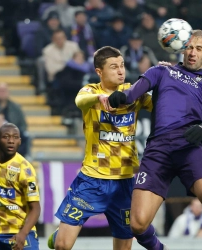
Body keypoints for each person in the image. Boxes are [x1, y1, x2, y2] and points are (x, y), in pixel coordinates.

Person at [108, 30, 202, 250]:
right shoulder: (161, 70)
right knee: (137, 224)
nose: (193, 53)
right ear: (182, 48)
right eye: (189, 47)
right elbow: (133, 93)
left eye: (199, 49)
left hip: (189, 148)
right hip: (157, 152)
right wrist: (120, 97)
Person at [47, 46, 153, 250]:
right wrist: (100, 98)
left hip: (124, 181)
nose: (120, 71)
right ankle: (63, 231)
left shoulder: (133, 93)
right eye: (113, 67)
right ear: (99, 72)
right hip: (92, 180)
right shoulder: (91, 91)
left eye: (122, 66)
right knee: (62, 246)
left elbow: (161, 104)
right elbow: (80, 101)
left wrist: (168, 78)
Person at [0, 123, 40, 250]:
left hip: (20, 231)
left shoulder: (26, 169)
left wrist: (23, 233)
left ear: (20, 141)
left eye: (15, 137)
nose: (11, 141)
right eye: (6, 137)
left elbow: (35, 209)